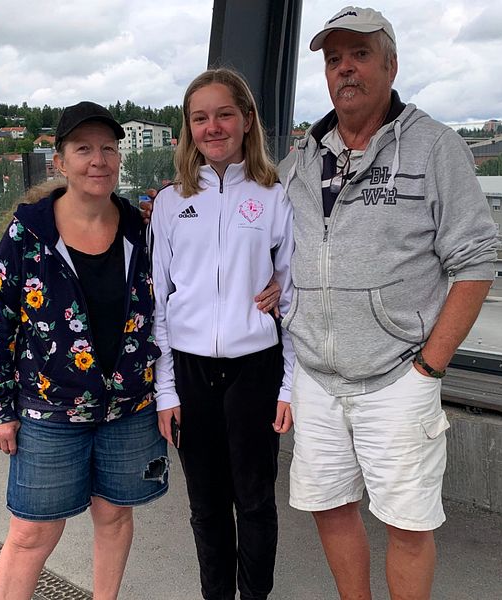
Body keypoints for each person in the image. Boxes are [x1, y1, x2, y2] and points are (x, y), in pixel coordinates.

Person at [277, 7, 497, 599]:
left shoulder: (433, 147)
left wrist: (429, 367)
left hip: (398, 375)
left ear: (391, 64)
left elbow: (475, 263)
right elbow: (271, 242)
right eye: (333, 59)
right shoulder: (302, 160)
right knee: (330, 507)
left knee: (407, 523)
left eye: (360, 54)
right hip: (318, 380)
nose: (345, 68)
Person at [0, 101, 168, 600]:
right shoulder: (29, 233)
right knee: (32, 532)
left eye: (108, 148)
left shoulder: (139, 229)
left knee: (114, 514)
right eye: (84, 149)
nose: (98, 159)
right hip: (48, 410)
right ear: (60, 161)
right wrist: (0, 406)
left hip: (128, 407)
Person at [151, 68, 295, 600]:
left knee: (255, 502)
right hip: (189, 373)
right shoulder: (169, 204)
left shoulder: (275, 196)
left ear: (247, 119)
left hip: (256, 369)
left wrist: (287, 386)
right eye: (200, 118)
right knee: (206, 505)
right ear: (189, 129)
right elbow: (158, 304)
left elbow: (294, 294)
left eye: (224, 114)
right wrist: (166, 391)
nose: (213, 127)